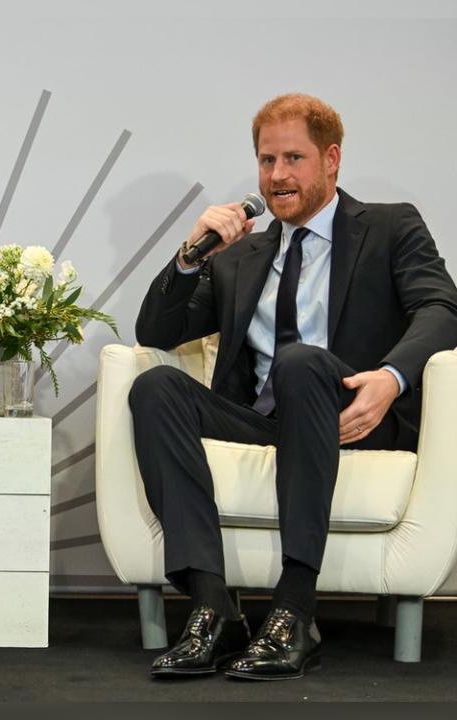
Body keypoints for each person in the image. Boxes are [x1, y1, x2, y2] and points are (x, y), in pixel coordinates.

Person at [129, 93, 457, 680]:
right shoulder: (239, 256)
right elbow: (156, 329)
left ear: (331, 160)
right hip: (268, 419)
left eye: (293, 159)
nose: (276, 176)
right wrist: (188, 255)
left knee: (302, 362)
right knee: (156, 387)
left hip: (353, 415)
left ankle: (295, 610)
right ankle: (213, 607)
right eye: (265, 160)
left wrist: (390, 378)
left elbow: (442, 308)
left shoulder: (389, 226)